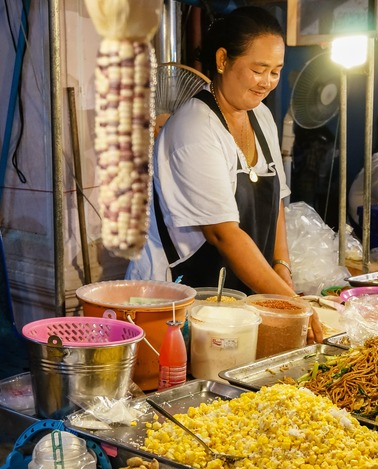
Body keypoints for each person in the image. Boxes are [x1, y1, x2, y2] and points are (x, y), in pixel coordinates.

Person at [126, 6, 323, 343]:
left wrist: (281, 267)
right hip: (178, 302)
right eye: (259, 69)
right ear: (222, 60)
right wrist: (293, 305)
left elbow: (275, 201)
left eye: (275, 71)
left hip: (235, 295)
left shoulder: (260, 116)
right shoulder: (194, 127)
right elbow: (222, 234)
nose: (267, 83)